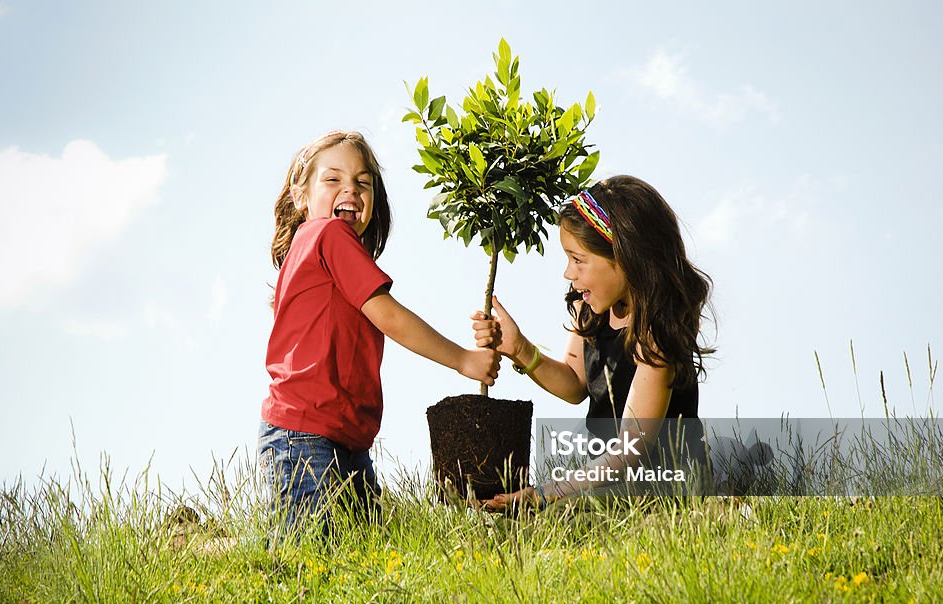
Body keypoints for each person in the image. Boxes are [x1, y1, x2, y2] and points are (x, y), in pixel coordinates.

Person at [261, 130, 500, 534]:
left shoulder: (308, 250)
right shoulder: (328, 234)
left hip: (338, 438)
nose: (350, 190)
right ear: (301, 196)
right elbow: (387, 315)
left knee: (355, 561)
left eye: (363, 182)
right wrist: (464, 360)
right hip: (309, 436)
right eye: (333, 179)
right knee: (310, 565)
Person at [471, 175, 714, 509]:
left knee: (554, 519)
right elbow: (575, 384)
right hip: (608, 479)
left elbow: (631, 450)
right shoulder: (591, 309)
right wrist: (519, 348)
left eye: (578, 260)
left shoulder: (655, 333)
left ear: (626, 257)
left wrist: (544, 494)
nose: (568, 273)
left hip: (661, 486)